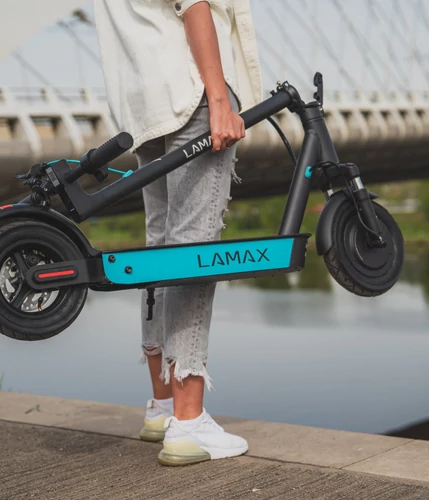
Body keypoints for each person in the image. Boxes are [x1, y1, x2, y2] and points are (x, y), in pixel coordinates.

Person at [92, 0, 263, 466]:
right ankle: (188, 424)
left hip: (145, 108)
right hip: (191, 96)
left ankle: (163, 407)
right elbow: (193, 4)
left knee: (161, 250)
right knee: (193, 250)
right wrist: (219, 99)